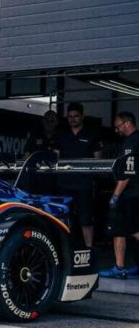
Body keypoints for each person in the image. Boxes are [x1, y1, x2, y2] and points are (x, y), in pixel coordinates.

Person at [53, 103, 101, 247]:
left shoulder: (91, 134)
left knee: (86, 219)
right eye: (70, 116)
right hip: (64, 183)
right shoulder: (61, 135)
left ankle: (89, 249)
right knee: (63, 217)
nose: (73, 119)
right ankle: (64, 248)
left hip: (83, 184)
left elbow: (98, 159)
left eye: (76, 116)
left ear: (82, 116)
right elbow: (55, 158)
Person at [100, 112, 139, 279]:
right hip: (136, 193)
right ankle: (128, 266)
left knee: (123, 230)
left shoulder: (131, 142)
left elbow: (127, 173)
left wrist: (115, 195)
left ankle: (119, 267)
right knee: (129, 230)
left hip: (130, 194)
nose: (117, 130)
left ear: (127, 123)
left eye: (118, 126)